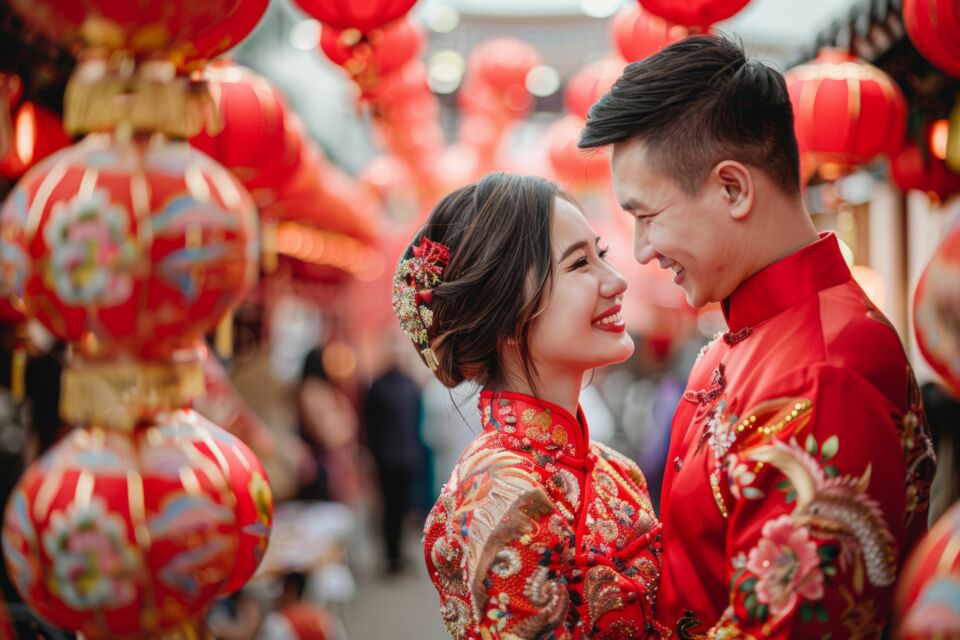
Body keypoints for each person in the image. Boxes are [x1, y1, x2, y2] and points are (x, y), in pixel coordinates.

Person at [579, 34, 936, 638]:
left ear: (733, 188)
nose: (641, 251)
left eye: (647, 216)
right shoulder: (746, 338)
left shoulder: (822, 373)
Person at [393, 172, 665, 638]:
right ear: (507, 318)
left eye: (602, 254)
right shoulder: (500, 490)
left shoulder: (619, 472)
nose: (616, 281)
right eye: (580, 264)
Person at [363, 350, 423, 575]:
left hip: (404, 457)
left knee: (402, 507)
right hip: (388, 458)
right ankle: (390, 555)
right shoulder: (379, 388)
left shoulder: (409, 386)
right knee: (390, 507)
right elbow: (369, 425)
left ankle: (399, 553)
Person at [295, 347, 361, 505]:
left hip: (326, 460)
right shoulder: (314, 391)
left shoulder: (314, 390)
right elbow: (325, 431)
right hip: (322, 463)